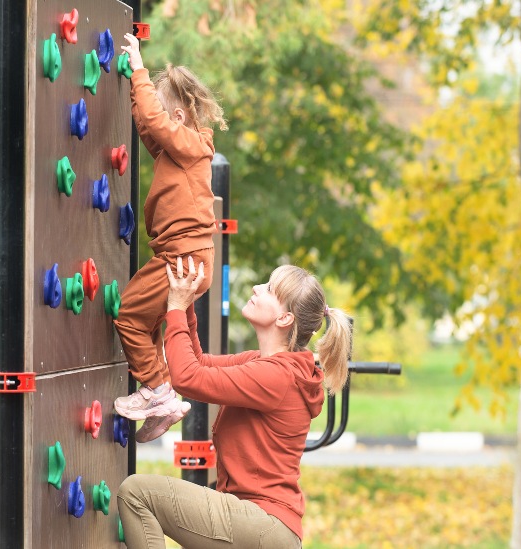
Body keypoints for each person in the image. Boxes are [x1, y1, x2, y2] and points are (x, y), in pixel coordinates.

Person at [117, 257, 352, 548]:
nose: (256, 288)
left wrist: (175, 309)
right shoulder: (263, 363)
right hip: (261, 524)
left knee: (137, 494)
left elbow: (187, 378)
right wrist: (187, 303)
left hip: (263, 522)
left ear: (284, 319)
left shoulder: (276, 376)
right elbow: (199, 363)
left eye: (268, 289)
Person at [113, 34, 227, 443]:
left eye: (162, 112)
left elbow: (156, 123)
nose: (156, 120)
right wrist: (131, 85)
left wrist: (140, 69)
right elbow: (149, 128)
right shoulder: (175, 150)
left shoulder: (192, 145)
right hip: (187, 258)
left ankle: (157, 390)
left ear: (178, 117)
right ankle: (163, 405)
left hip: (182, 258)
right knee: (149, 324)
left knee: (128, 317)